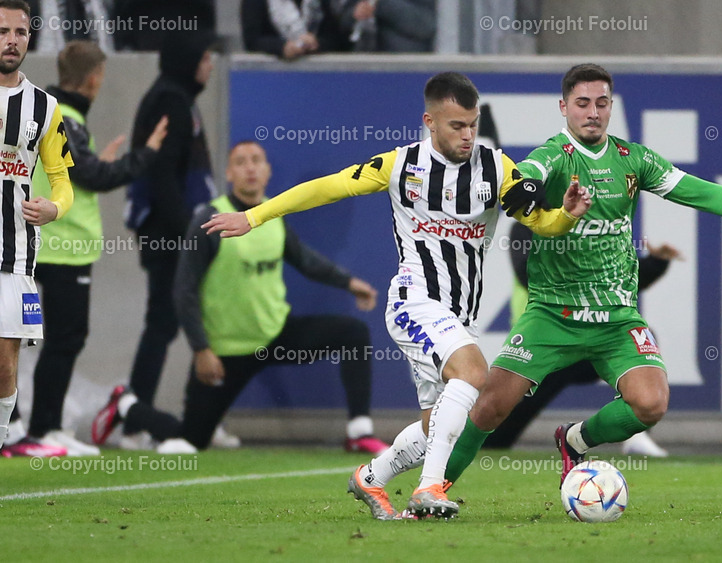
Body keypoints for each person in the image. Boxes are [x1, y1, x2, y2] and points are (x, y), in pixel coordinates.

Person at [202, 72, 591, 519]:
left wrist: (566, 215)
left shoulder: (498, 168)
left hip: (459, 315)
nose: (467, 135)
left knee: (436, 427)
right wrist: (254, 216)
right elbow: (328, 187)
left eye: (472, 124)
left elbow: (540, 222)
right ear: (430, 122)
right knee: (473, 373)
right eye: (456, 126)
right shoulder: (401, 165)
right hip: (414, 300)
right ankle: (429, 488)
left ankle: (371, 477)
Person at [443, 63, 722, 490]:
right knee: (490, 409)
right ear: (564, 107)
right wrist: (525, 186)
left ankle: (574, 440)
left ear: (611, 107)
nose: (593, 112)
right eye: (582, 103)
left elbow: (699, 191)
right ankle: (434, 490)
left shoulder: (633, 159)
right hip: (552, 315)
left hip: (616, 318)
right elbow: (529, 172)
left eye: (601, 103)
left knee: (651, 404)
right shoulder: (555, 155)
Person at [92, 141, 388, 454]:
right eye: (241, 162)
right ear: (229, 173)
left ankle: (359, 432)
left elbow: (305, 260)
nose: (250, 168)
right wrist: (201, 349)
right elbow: (184, 290)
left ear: (267, 171)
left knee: (354, 333)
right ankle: (125, 404)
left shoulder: (274, 213)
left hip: (276, 335)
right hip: (226, 352)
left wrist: (349, 283)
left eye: (257, 160)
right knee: (189, 441)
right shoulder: (209, 219)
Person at [1, 41, 166, 457]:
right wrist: (146, 154)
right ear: (94, 78)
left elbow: (80, 172)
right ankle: (42, 427)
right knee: (62, 338)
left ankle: (29, 427)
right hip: (61, 248)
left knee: (26, 338)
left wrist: (98, 163)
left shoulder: (51, 113)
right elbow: (93, 176)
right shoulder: (62, 115)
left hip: (40, 244)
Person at [483, 219, 680, 455]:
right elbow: (527, 273)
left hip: (598, 337)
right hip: (547, 340)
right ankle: (486, 448)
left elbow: (619, 283)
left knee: (643, 341)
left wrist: (656, 263)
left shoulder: (593, 226)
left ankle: (636, 435)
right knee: (504, 424)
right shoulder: (527, 226)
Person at [122, 30, 217, 447]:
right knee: (161, 323)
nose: (210, 65)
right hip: (168, 234)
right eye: (204, 58)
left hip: (171, 230)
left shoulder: (177, 96)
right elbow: (160, 174)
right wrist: (187, 233)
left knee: (175, 323)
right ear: (187, 61)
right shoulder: (170, 101)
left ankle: (201, 416)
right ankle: (133, 420)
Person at [0, 0, 75, 453]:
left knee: (5, 365)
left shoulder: (45, 107)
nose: (11, 41)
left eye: (20, 33)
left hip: (14, 254)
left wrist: (54, 208)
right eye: (2, 31)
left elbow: (63, 181)